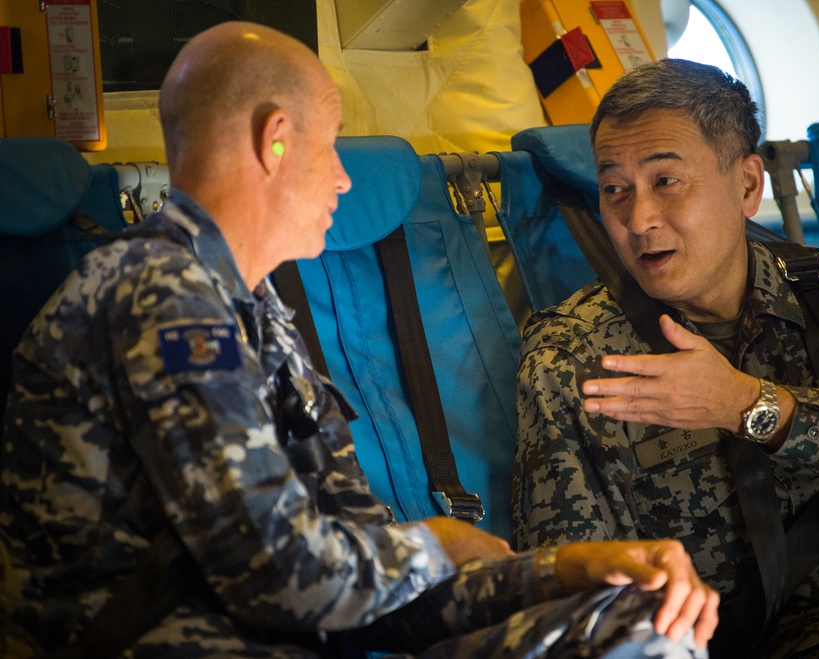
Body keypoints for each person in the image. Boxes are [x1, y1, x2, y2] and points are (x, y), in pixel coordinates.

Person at [0, 23, 719, 657]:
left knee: (641, 622)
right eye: (331, 145)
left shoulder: (258, 320)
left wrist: (572, 570)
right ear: (274, 139)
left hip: (323, 633)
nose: (344, 178)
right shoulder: (157, 297)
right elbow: (282, 574)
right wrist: (435, 543)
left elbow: (372, 587)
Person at [512, 57, 819, 657]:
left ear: (747, 186)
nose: (638, 221)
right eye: (614, 190)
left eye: (666, 181)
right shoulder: (573, 358)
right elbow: (573, 586)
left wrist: (749, 404)